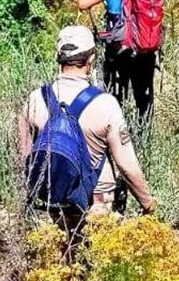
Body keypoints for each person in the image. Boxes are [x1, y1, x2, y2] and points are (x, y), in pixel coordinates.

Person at [16, 25, 157, 233]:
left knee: (64, 258)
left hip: (54, 203)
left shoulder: (35, 99)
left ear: (59, 58)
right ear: (90, 61)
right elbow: (126, 166)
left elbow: (24, 159)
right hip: (97, 203)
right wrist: (149, 205)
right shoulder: (105, 104)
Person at [77, 0, 161, 128]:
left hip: (119, 51)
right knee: (144, 100)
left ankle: (116, 140)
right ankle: (144, 138)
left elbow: (83, 4)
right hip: (146, 50)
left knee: (115, 100)